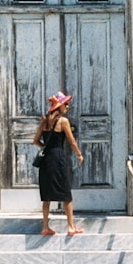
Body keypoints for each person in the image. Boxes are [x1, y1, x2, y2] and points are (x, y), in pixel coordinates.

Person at [33, 92, 85, 236]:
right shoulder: (63, 121)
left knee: (47, 195)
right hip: (57, 158)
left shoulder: (44, 120)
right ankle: (70, 227)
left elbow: (35, 140)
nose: (67, 107)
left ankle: (45, 227)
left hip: (46, 160)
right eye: (65, 104)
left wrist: (45, 147)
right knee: (65, 193)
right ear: (59, 106)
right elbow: (71, 141)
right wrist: (79, 154)